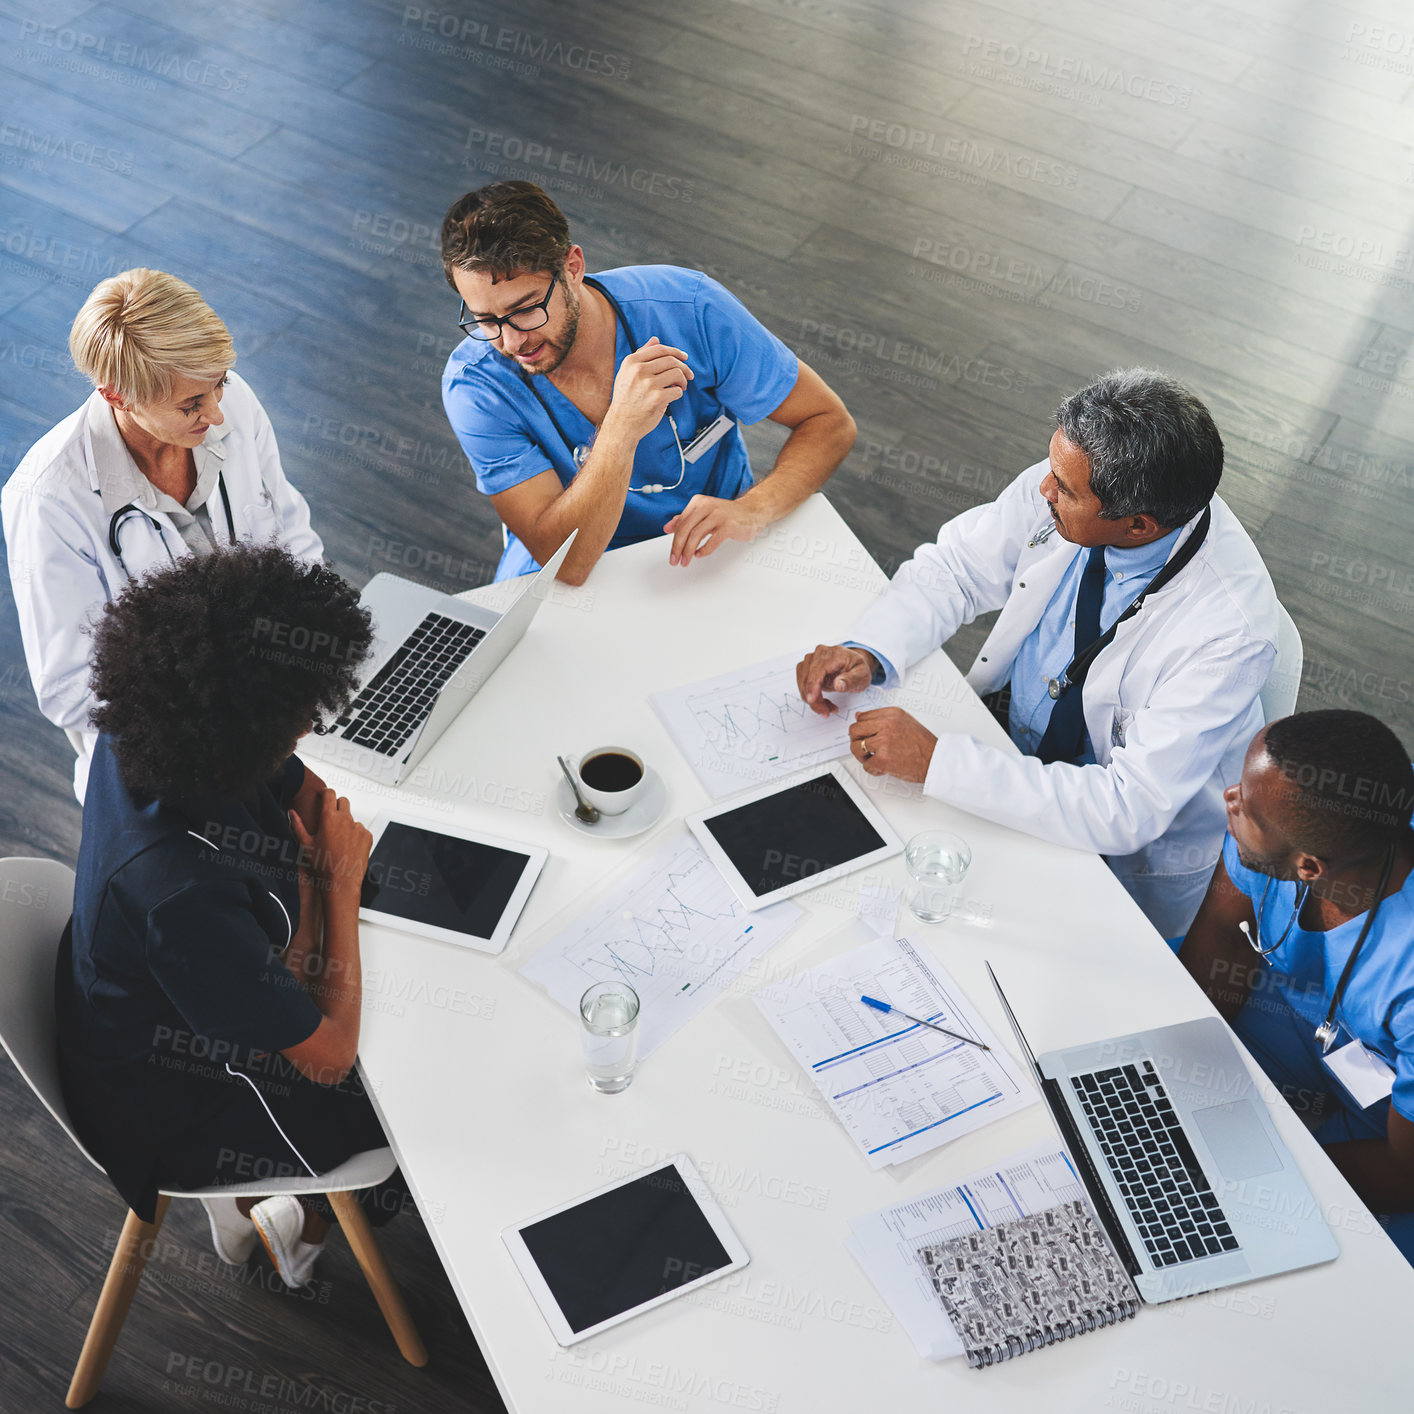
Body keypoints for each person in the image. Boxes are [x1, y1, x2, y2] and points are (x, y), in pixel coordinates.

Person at [796, 369, 1280, 938]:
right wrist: (872, 649)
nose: (1044, 490)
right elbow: (958, 568)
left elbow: (1127, 808)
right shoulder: (1072, 477)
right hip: (1007, 748)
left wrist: (938, 762)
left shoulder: (1228, 633)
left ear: (1137, 525)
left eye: (1065, 489)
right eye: (1052, 471)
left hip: (1111, 846)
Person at [55, 543, 404, 1288]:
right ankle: (291, 1220)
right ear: (244, 728)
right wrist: (333, 887)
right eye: (299, 716)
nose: (309, 730)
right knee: (410, 1112)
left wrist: (312, 908)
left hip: (186, 985)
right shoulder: (176, 889)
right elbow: (330, 1057)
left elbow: (309, 797)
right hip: (181, 1098)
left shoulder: (174, 718)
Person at [1, 267, 323, 802]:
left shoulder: (229, 400)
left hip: (284, 711)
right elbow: (69, 691)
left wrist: (307, 659)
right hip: (171, 769)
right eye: (191, 405)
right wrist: (238, 699)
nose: (218, 412)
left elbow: (292, 536)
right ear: (117, 396)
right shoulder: (48, 502)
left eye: (218, 383)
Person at [439, 181, 856, 584]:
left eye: (526, 309)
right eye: (486, 320)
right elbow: (568, 566)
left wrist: (755, 509)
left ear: (572, 268)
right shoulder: (476, 387)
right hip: (577, 562)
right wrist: (620, 430)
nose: (511, 342)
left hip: (711, 541)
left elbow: (827, 421)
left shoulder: (690, 308)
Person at [1178, 711, 1414, 1261]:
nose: (1231, 798)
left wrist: (1242, 1175)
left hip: (1393, 1127)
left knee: (1298, 1249)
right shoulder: (1307, 810)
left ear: (1309, 866)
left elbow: (1407, 1174)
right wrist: (1174, 1069)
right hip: (1292, 1014)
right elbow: (1224, 937)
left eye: (1248, 809)